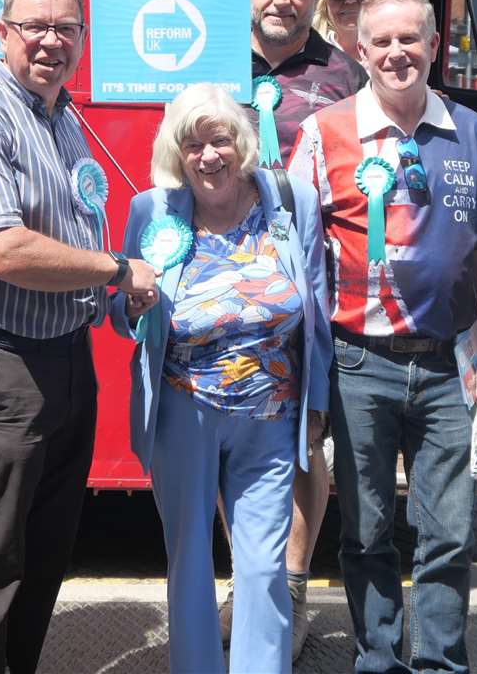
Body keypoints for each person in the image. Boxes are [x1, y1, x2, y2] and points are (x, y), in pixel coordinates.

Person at [0, 0, 157, 674]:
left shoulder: (60, 117)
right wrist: (115, 270)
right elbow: (4, 251)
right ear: (2, 34)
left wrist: (115, 293)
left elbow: (69, 233)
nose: (51, 41)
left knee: (44, 550)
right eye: (35, 26)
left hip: (62, 357)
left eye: (66, 29)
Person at [289, 0, 477, 673]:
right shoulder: (322, 133)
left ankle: (441, 664)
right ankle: (378, 661)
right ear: (360, 51)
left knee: (447, 536)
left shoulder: (471, 132)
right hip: (359, 364)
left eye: (410, 40)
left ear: (435, 46)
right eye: (380, 42)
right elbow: (294, 250)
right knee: (367, 533)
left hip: (450, 366)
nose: (396, 53)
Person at [112, 83, 333, 673]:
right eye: (193, 145)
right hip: (185, 413)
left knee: (264, 569)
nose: (209, 156)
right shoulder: (150, 212)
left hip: (272, 416)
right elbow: (119, 311)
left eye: (220, 140)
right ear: (177, 154)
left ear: (242, 143)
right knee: (188, 559)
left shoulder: (293, 201)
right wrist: (134, 306)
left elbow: (315, 307)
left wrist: (317, 401)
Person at [237, 0, 367, 657]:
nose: (281, 0)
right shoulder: (211, 58)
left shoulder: (344, 74)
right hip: (221, 281)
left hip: (314, 284)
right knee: (233, 433)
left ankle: (289, 589)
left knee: (302, 440)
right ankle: (249, 587)